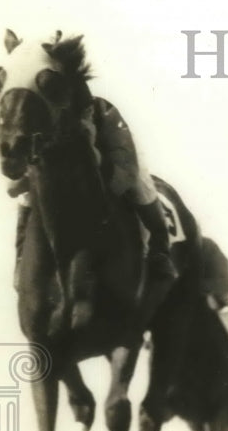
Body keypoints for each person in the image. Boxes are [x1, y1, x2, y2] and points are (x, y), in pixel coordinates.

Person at [10, 96, 178, 294]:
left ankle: (160, 248)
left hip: (114, 158)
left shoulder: (100, 109)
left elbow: (125, 173)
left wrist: (94, 157)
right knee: (28, 196)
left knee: (141, 183)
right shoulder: (36, 118)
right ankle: (21, 260)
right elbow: (12, 186)